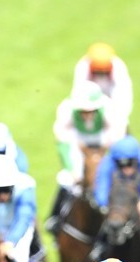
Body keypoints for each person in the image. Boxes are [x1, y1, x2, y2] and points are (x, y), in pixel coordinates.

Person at [46, 80, 126, 235]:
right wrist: (72, 170)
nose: (87, 115)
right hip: (77, 141)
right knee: (67, 179)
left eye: (90, 111)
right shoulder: (65, 109)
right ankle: (55, 217)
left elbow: (117, 142)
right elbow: (63, 143)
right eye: (82, 111)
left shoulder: (110, 109)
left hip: (103, 140)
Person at [73, 43, 133, 134]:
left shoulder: (119, 67)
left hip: (112, 100)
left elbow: (123, 95)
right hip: (91, 101)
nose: (101, 73)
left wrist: (119, 119)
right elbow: (79, 91)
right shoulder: (82, 66)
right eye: (97, 71)